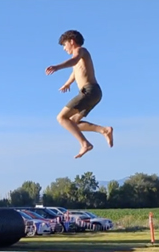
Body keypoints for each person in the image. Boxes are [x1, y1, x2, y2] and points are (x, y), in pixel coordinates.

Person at [45, 30, 114, 159]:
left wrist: (57, 67)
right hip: (94, 93)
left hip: (89, 91)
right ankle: (104, 130)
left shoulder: (81, 51)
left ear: (72, 41)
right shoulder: (80, 57)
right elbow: (75, 71)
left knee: (61, 118)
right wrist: (67, 83)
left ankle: (85, 144)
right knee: (72, 123)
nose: (65, 49)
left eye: (65, 45)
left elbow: (73, 61)